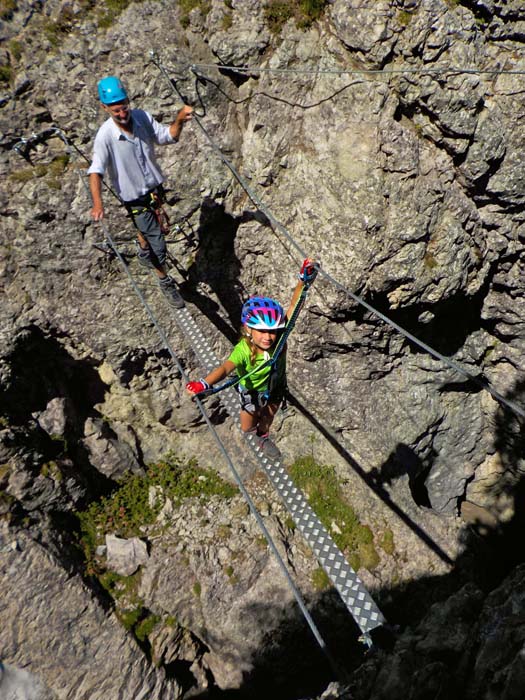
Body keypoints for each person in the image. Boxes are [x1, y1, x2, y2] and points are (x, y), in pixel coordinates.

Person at [186, 259, 318, 460]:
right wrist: (204, 383)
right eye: (262, 331)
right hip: (252, 391)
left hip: (275, 385)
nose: (268, 337)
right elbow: (225, 368)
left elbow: (294, 305)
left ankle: (262, 436)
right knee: (247, 422)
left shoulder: (279, 339)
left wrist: (303, 281)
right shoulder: (244, 350)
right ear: (248, 329)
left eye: (272, 331)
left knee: (269, 415)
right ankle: (252, 432)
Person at [88, 75, 193, 309]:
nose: (122, 114)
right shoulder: (105, 137)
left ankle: (143, 248)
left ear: (128, 101)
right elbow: (95, 171)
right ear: (105, 108)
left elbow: (167, 136)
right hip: (135, 198)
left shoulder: (141, 117)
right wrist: (98, 204)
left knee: (148, 231)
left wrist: (179, 119)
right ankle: (164, 280)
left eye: (124, 107)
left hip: (154, 190)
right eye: (116, 111)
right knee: (159, 246)